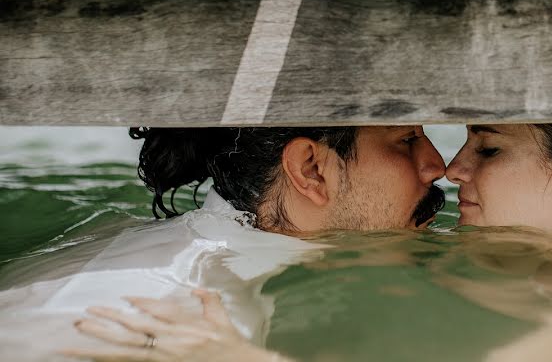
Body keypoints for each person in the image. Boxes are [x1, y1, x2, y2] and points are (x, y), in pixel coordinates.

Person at [63, 122, 552, 362]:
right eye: (411, 139)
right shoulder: (511, 277)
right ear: (311, 169)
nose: (449, 166)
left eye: (489, 149)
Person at [0, 125, 446, 361]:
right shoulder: (193, 318)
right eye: (406, 140)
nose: (436, 164)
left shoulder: (124, 235)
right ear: (311, 168)